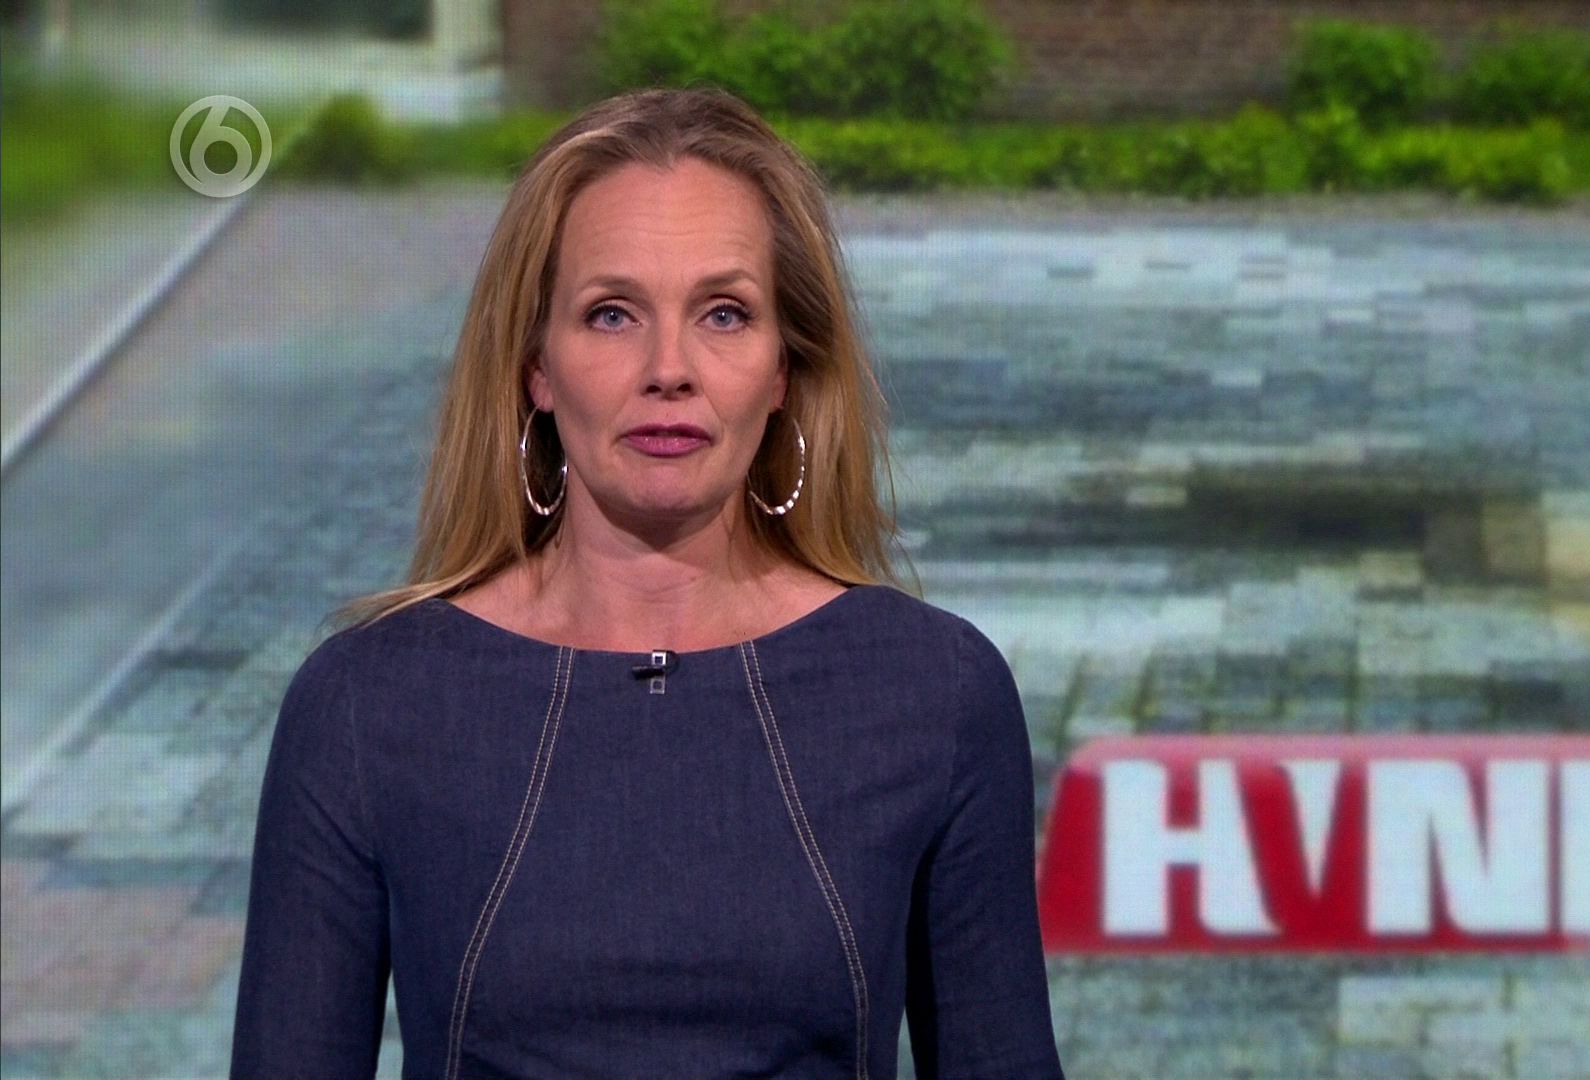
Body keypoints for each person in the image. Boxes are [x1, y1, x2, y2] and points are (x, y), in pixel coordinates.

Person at [229, 87, 1065, 1080]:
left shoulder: (935, 692)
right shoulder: (368, 703)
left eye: (724, 313)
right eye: (612, 314)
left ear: (784, 368)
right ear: (537, 366)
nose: (670, 368)